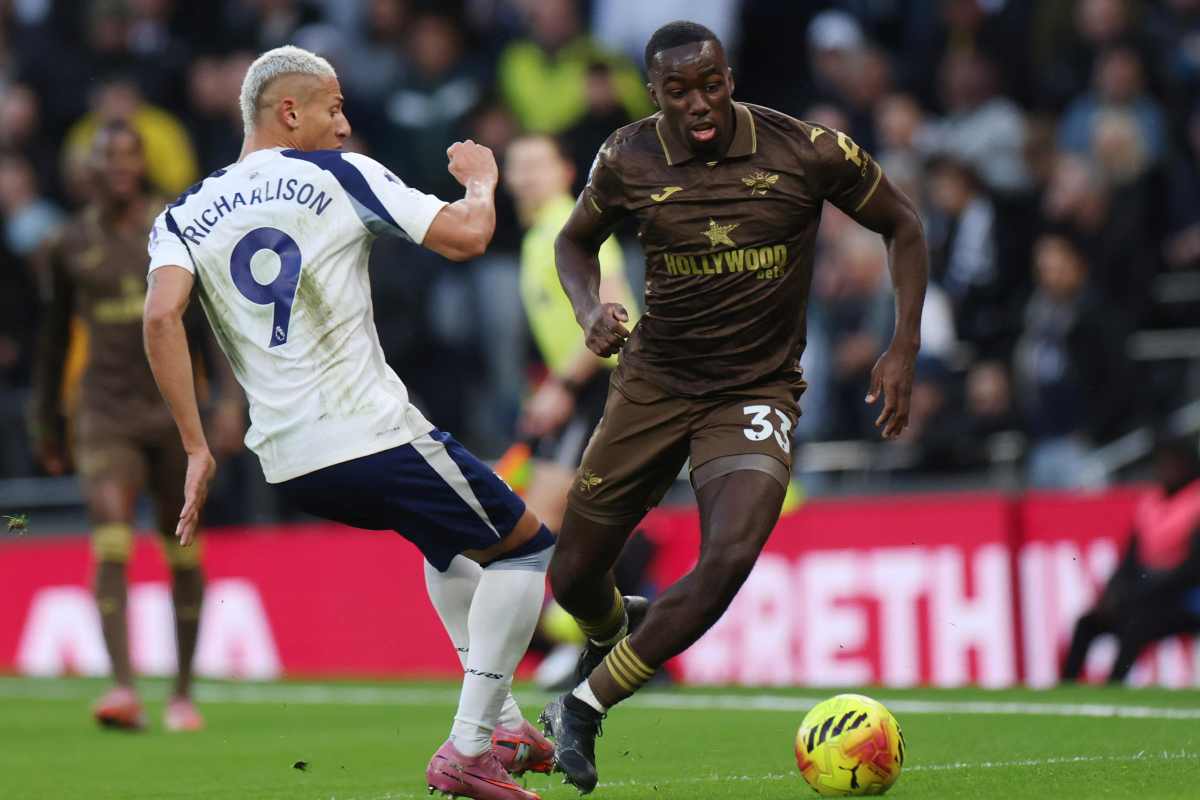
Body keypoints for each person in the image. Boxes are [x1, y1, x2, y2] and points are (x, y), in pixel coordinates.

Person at [141, 46, 552, 800]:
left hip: (292, 464)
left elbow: (162, 315)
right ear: (288, 111)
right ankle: (469, 746)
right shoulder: (341, 174)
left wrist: (196, 446)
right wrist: (482, 181)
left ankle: (502, 718)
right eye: (332, 107)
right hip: (368, 434)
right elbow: (467, 237)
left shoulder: (182, 213)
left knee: (450, 549)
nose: (345, 123)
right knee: (526, 552)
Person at [541, 21, 928, 793]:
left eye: (711, 82)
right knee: (574, 575)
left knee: (729, 556)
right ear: (653, 94)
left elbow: (904, 225)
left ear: (730, 75)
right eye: (679, 90)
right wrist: (588, 309)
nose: (700, 103)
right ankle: (615, 632)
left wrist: (902, 348)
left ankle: (582, 708)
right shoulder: (626, 157)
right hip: (653, 384)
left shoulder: (807, 149)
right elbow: (573, 244)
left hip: (755, 390)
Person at [27, 122, 244, 732]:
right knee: (111, 533)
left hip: (172, 411)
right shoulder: (67, 244)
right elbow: (50, 345)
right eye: (108, 155)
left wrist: (229, 403)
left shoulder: (176, 227)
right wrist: (45, 422)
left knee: (183, 549)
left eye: (130, 155)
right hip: (102, 412)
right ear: (89, 167)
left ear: (143, 162)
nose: (120, 165)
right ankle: (122, 687)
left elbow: (211, 322)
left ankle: (181, 693)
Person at [504, 132, 635, 533]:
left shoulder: (570, 226)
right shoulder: (539, 235)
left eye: (536, 166)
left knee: (543, 516)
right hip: (580, 385)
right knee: (562, 517)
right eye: (518, 166)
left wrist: (560, 386)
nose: (526, 177)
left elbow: (612, 314)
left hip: (604, 381)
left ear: (565, 172)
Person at [1062, 436, 1200, 683]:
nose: (1165, 470)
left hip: (1184, 599)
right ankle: (1066, 686)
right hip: (1147, 596)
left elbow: (1193, 568)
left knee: (1139, 623)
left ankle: (1114, 685)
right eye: (1161, 463)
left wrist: (1147, 589)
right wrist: (1114, 591)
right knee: (1088, 622)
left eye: (1172, 463)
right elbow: (1130, 559)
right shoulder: (1151, 503)